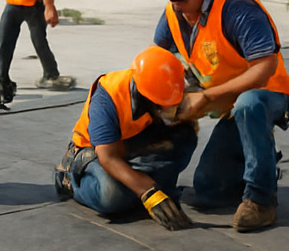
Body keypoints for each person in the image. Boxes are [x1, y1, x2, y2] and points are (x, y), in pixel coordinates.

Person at [148, 0, 289, 232]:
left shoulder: (236, 8)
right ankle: (261, 164)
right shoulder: (173, 15)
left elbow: (264, 68)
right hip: (231, 106)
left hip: (272, 97)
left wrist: (205, 98)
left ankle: (261, 199)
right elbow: (159, 63)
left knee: (249, 103)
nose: (176, 5)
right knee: (207, 189)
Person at [57, 46, 198, 231]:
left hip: (129, 144)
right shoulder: (107, 96)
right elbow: (108, 157)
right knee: (112, 195)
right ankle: (70, 181)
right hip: (93, 153)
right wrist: (148, 190)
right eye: (160, 105)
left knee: (185, 136)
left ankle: (137, 189)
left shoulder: (157, 91)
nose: (165, 110)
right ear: (144, 95)